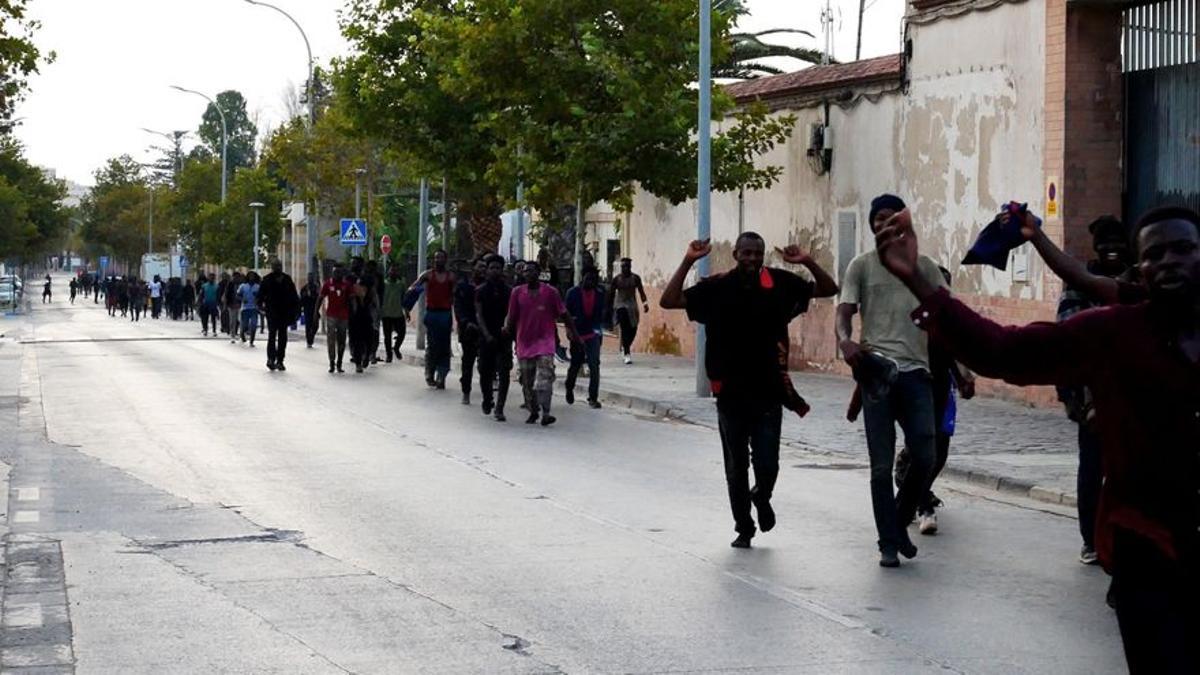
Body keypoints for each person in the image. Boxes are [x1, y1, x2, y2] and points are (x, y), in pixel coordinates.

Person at [874, 204, 1200, 675]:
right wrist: (919, 282)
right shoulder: (1113, 333)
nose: (1169, 261)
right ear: (1141, 267)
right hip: (1148, 550)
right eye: (1155, 254)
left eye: (1184, 248)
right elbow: (1003, 351)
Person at [660, 233, 838, 549]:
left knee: (768, 462)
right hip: (729, 393)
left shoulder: (779, 284)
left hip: (769, 391)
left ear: (763, 255)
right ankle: (744, 526)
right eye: (746, 253)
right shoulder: (717, 288)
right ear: (736, 254)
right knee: (736, 465)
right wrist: (689, 260)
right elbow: (669, 300)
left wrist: (807, 261)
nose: (752, 259)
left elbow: (828, 289)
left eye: (757, 254)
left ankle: (762, 494)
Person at [836, 194, 948, 567]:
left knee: (926, 453)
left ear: (904, 225)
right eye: (879, 219)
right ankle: (888, 542)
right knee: (881, 465)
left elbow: (947, 319)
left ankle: (899, 522)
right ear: (872, 225)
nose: (886, 225)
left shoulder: (926, 268)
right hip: (877, 375)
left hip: (917, 375)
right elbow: (845, 311)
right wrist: (845, 340)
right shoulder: (862, 266)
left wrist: (962, 369)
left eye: (893, 219)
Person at [851, 266, 977, 537]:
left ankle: (910, 497)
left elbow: (957, 351)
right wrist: (859, 397)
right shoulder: (906, 317)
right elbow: (876, 352)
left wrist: (965, 377)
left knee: (937, 451)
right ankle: (920, 507)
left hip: (940, 388)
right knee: (920, 448)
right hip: (909, 387)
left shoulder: (950, 319)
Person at [503, 260, 579, 427]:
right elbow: (512, 317)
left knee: (544, 378)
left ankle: (546, 412)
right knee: (527, 381)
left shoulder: (551, 292)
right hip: (524, 342)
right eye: (525, 271)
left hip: (545, 342)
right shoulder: (517, 293)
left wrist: (573, 332)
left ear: (539, 273)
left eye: (531, 271)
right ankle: (533, 411)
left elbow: (564, 313)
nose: (528, 274)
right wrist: (506, 333)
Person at [476, 255, 513, 422]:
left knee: (504, 371)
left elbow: (511, 314)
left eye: (498, 268)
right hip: (486, 336)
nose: (495, 271)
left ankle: (500, 407)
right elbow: (479, 314)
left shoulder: (509, 291)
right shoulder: (480, 291)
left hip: (504, 336)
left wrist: (508, 328)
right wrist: (486, 334)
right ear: (487, 270)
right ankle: (487, 398)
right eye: (492, 268)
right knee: (485, 370)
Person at [411, 250, 455, 388]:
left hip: (445, 314)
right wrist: (412, 292)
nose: (438, 260)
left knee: (444, 346)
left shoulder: (451, 277)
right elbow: (414, 286)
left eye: (441, 258)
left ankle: (442, 376)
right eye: (436, 258)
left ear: (445, 260)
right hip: (432, 314)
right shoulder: (428, 275)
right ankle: (429, 373)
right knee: (432, 345)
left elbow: (456, 295)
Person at [564, 267, 606, 408]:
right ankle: (569, 387)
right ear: (582, 278)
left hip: (593, 333)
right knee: (576, 364)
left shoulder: (600, 293)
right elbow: (566, 313)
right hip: (577, 333)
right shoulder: (572, 293)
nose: (591, 282)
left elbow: (602, 313)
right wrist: (569, 330)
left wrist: (600, 331)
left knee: (594, 365)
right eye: (588, 278)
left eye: (594, 279)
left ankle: (593, 397)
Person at [259, 259, 300, 371]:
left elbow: (294, 296)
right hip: (272, 312)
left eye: (279, 266)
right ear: (272, 267)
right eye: (275, 266)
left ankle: (280, 360)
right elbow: (260, 296)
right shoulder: (267, 280)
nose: (278, 268)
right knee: (272, 336)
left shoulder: (287, 280)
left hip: (284, 313)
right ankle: (271, 359)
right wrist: (260, 307)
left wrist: (297, 311)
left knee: (283, 337)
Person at [454, 258, 485, 405]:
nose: (483, 270)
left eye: (485, 267)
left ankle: (488, 395)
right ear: (473, 268)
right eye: (480, 266)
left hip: (487, 331)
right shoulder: (464, 286)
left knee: (486, 364)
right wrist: (466, 322)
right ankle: (466, 391)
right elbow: (458, 308)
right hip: (469, 330)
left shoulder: (489, 286)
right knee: (468, 363)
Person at [610, 258, 649, 364]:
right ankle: (627, 353)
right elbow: (611, 294)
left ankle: (625, 345)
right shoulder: (616, 279)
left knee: (633, 328)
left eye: (627, 266)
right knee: (625, 327)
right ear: (621, 267)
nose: (625, 268)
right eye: (623, 266)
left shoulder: (635, 278)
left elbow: (641, 291)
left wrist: (645, 303)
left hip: (632, 305)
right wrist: (609, 308)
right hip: (620, 305)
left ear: (630, 267)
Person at [320, 265, 352, 373]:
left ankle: (339, 362)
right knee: (331, 340)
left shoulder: (346, 285)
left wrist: (353, 312)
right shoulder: (328, 284)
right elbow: (321, 297)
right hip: (331, 316)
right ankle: (332, 362)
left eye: (339, 272)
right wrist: (316, 313)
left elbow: (351, 300)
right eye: (335, 272)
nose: (336, 275)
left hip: (343, 316)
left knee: (342, 340)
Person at [380, 266, 408, 362]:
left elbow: (404, 299)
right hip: (386, 314)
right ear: (388, 272)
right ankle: (389, 355)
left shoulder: (401, 284)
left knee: (402, 333)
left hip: (398, 314)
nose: (393, 272)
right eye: (391, 270)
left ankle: (396, 348)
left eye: (395, 271)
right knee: (387, 336)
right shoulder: (384, 284)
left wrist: (407, 312)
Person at [299, 273, 321, 349]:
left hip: (315, 309)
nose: (310, 279)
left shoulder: (316, 288)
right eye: (309, 277)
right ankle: (309, 341)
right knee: (308, 325)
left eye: (311, 277)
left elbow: (319, 298)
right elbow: (301, 300)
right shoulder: (304, 288)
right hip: (307, 310)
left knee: (316, 325)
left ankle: (312, 335)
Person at [225, 271, 244, 342]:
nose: (236, 279)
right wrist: (226, 304)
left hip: (240, 305)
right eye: (235, 277)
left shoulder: (242, 285)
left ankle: (241, 334)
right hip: (232, 305)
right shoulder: (230, 284)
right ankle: (232, 335)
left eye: (237, 277)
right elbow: (227, 294)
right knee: (232, 321)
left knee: (241, 320)